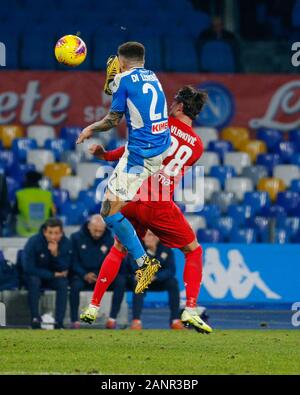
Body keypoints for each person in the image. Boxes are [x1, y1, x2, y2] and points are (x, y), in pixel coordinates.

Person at [81, 86, 212, 333]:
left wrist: (105, 155)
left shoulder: (160, 125)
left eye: (175, 102)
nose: (171, 105)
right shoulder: (197, 146)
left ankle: (94, 306)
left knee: (119, 249)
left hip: (134, 197)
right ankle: (191, 308)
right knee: (193, 251)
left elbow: (134, 152)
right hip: (160, 203)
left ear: (181, 106)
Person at [76, 42, 171, 292]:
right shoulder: (152, 76)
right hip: (161, 147)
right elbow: (127, 94)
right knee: (119, 206)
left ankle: (144, 263)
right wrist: (113, 81)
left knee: (107, 211)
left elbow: (112, 120)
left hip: (140, 154)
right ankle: (142, 257)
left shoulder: (123, 80)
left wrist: (89, 128)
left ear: (121, 61)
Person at [106, 231, 184, 330]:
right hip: (134, 279)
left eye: (154, 235)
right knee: (137, 282)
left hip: (156, 280)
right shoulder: (136, 247)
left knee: (173, 282)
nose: (150, 238)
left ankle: (175, 320)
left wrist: (156, 276)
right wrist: (150, 253)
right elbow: (134, 266)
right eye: (148, 235)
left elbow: (170, 270)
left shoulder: (166, 248)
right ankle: (136, 321)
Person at [22, 218, 72, 329]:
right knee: (34, 280)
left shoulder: (66, 243)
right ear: (45, 232)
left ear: (62, 232)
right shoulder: (33, 242)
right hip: (36, 275)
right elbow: (28, 268)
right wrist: (52, 275)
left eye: (57, 233)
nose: (53, 236)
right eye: (50, 233)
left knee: (63, 283)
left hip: (54, 278)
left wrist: (55, 254)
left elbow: (65, 267)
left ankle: (59, 322)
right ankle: (35, 319)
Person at [69, 215, 114, 328]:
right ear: (89, 226)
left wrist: (100, 275)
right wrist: (84, 274)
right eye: (95, 230)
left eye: (100, 231)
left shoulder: (109, 239)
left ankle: (112, 319)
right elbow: (72, 260)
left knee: (120, 282)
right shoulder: (75, 238)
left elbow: (112, 261)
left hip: (101, 275)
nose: (98, 233)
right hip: (81, 275)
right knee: (75, 286)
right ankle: (75, 321)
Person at [14, 170, 55, 237]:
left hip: (24, 234)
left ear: (26, 180)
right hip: (44, 234)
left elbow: (14, 214)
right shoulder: (48, 195)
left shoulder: (20, 194)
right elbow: (51, 215)